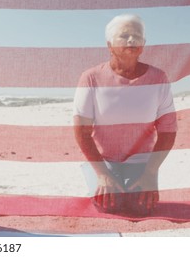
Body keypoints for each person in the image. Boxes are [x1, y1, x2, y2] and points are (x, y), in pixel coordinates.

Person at [73, 14, 177, 216]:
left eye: (137, 35)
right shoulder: (91, 78)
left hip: (142, 161)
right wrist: (102, 174)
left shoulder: (158, 78)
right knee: (109, 205)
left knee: (142, 207)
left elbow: (168, 131)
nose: (132, 40)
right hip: (103, 160)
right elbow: (82, 131)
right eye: (125, 35)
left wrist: (150, 172)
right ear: (109, 45)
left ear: (144, 44)